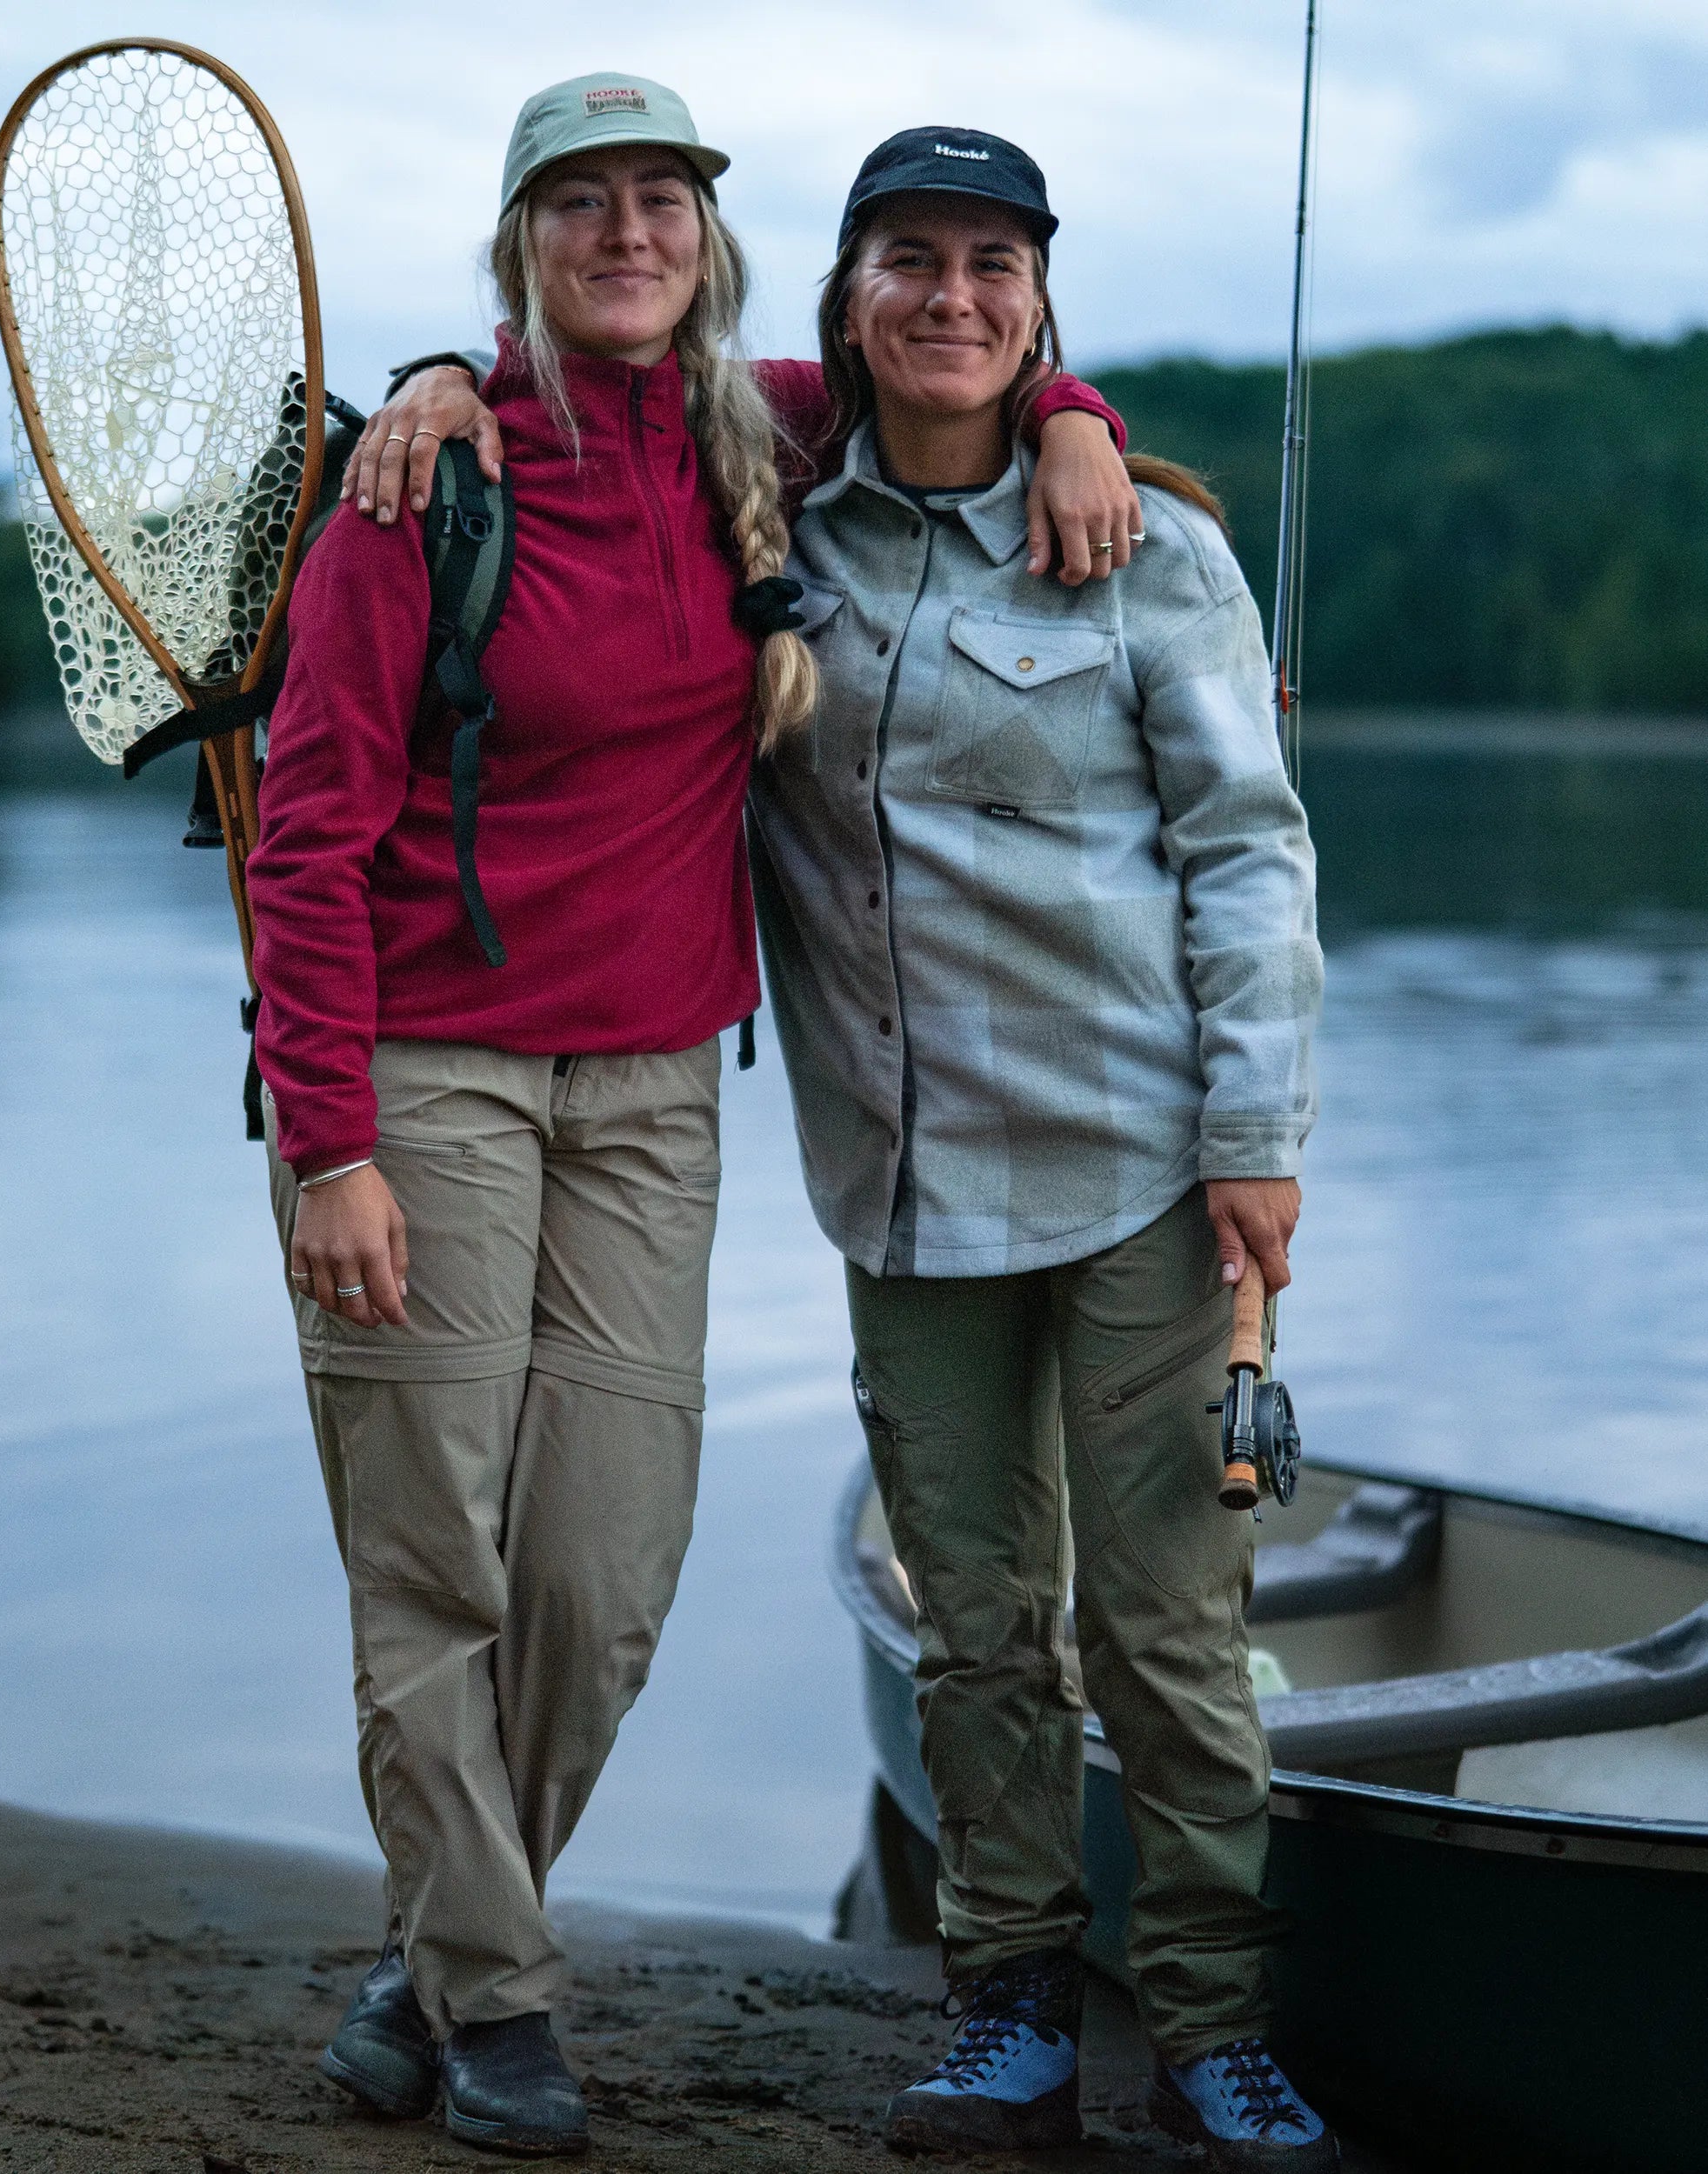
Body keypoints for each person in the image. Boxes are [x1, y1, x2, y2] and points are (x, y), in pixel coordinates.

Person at [366, 125, 1331, 2174]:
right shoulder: (763, 503)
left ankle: (1215, 2029)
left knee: (1163, 1628)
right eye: (910, 258)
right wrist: (433, 383)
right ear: (846, 295)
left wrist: (1257, 1130)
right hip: (904, 1190)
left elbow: (1246, 852)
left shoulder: (1144, 544)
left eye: (994, 266)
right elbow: (590, 387)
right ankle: (1005, 2017)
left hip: (1151, 1171)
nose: (951, 299)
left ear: (1038, 300)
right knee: (976, 1622)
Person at [257, 76, 1137, 2162]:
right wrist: (326, 1142)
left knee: (602, 1565)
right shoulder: (417, 487)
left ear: (709, 236)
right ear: (521, 243)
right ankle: (497, 2001)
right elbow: (304, 835)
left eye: (661, 198)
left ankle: (429, 1954)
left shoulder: (770, 423)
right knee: (428, 1556)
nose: (627, 231)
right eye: (582, 203)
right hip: (424, 1075)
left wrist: (1079, 407)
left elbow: (961, 348)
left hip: (656, 1081)